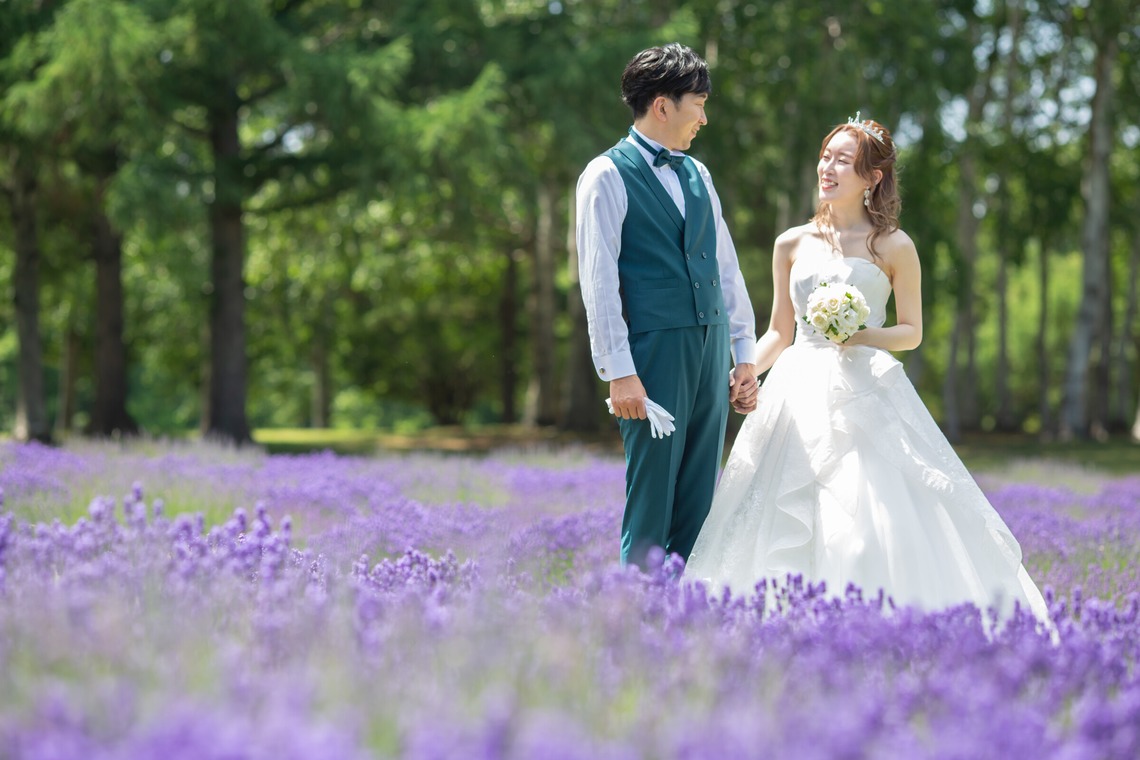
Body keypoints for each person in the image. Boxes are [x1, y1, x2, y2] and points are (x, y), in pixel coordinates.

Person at [683, 115, 1050, 624]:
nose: (827, 168)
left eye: (842, 160)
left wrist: (860, 337)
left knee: (861, 519)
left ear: (872, 177)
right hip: (795, 390)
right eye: (825, 156)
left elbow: (911, 331)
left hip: (865, 392)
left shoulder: (894, 245)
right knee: (781, 508)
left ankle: (870, 622)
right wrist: (746, 369)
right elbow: (778, 333)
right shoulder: (791, 243)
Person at [576, 43, 758, 569]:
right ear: (662, 105)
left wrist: (743, 353)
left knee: (701, 498)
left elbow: (727, 269)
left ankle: (685, 623)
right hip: (653, 355)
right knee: (652, 496)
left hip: (710, 348)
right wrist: (618, 372)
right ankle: (635, 622)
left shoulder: (700, 176)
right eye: (698, 103)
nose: (704, 116)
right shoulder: (605, 176)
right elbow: (599, 282)